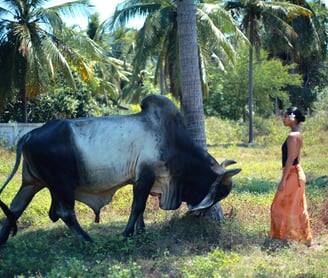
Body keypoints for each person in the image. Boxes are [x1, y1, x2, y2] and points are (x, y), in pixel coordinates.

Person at [270, 107, 312, 245]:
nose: (283, 118)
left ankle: (282, 236)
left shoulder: (292, 136)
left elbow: (291, 158)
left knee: (277, 206)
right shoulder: (298, 133)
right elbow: (297, 157)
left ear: (292, 118)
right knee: (298, 207)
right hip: (298, 173)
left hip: (293, 175)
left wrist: (283, 179)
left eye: (286, 116)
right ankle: (302, 237)